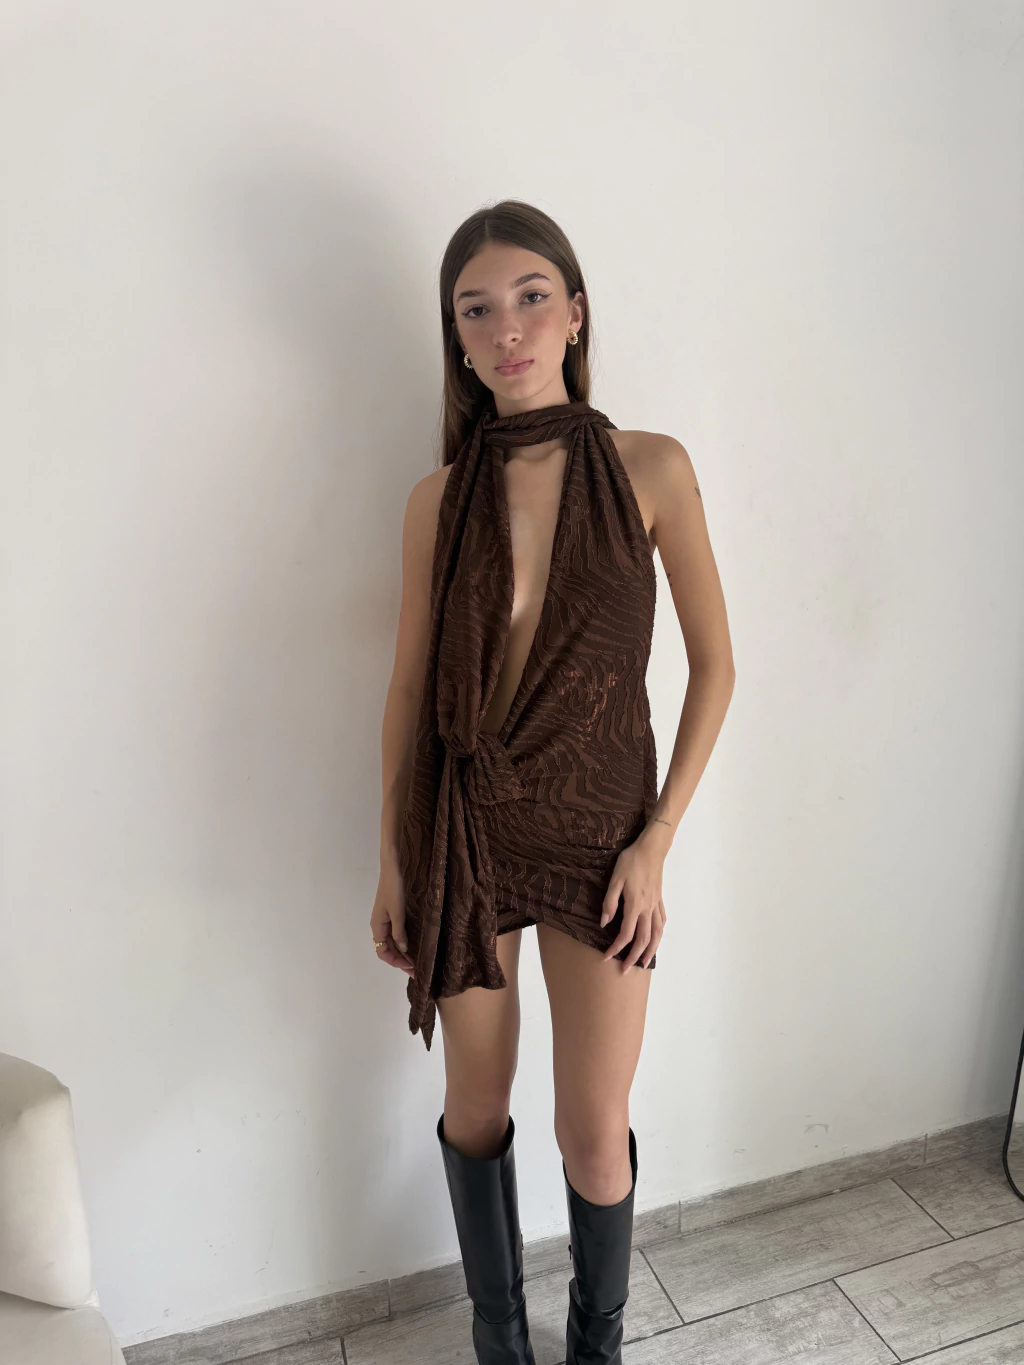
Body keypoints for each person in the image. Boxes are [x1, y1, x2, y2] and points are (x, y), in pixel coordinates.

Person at [371, 199, 734, 1365]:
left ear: (575, 313)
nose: (507, 329)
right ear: (457, 340)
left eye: (531, 298)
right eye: (476, 311)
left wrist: (655, 840)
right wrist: (393, 859)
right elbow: (408, 690)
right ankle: (499, 1341)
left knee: (592, 1128)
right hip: (466, 831)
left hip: (600, 834)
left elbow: (717, 669)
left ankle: (596, 1346)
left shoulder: (650, 467)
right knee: (476, 1110)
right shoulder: (438, 501)